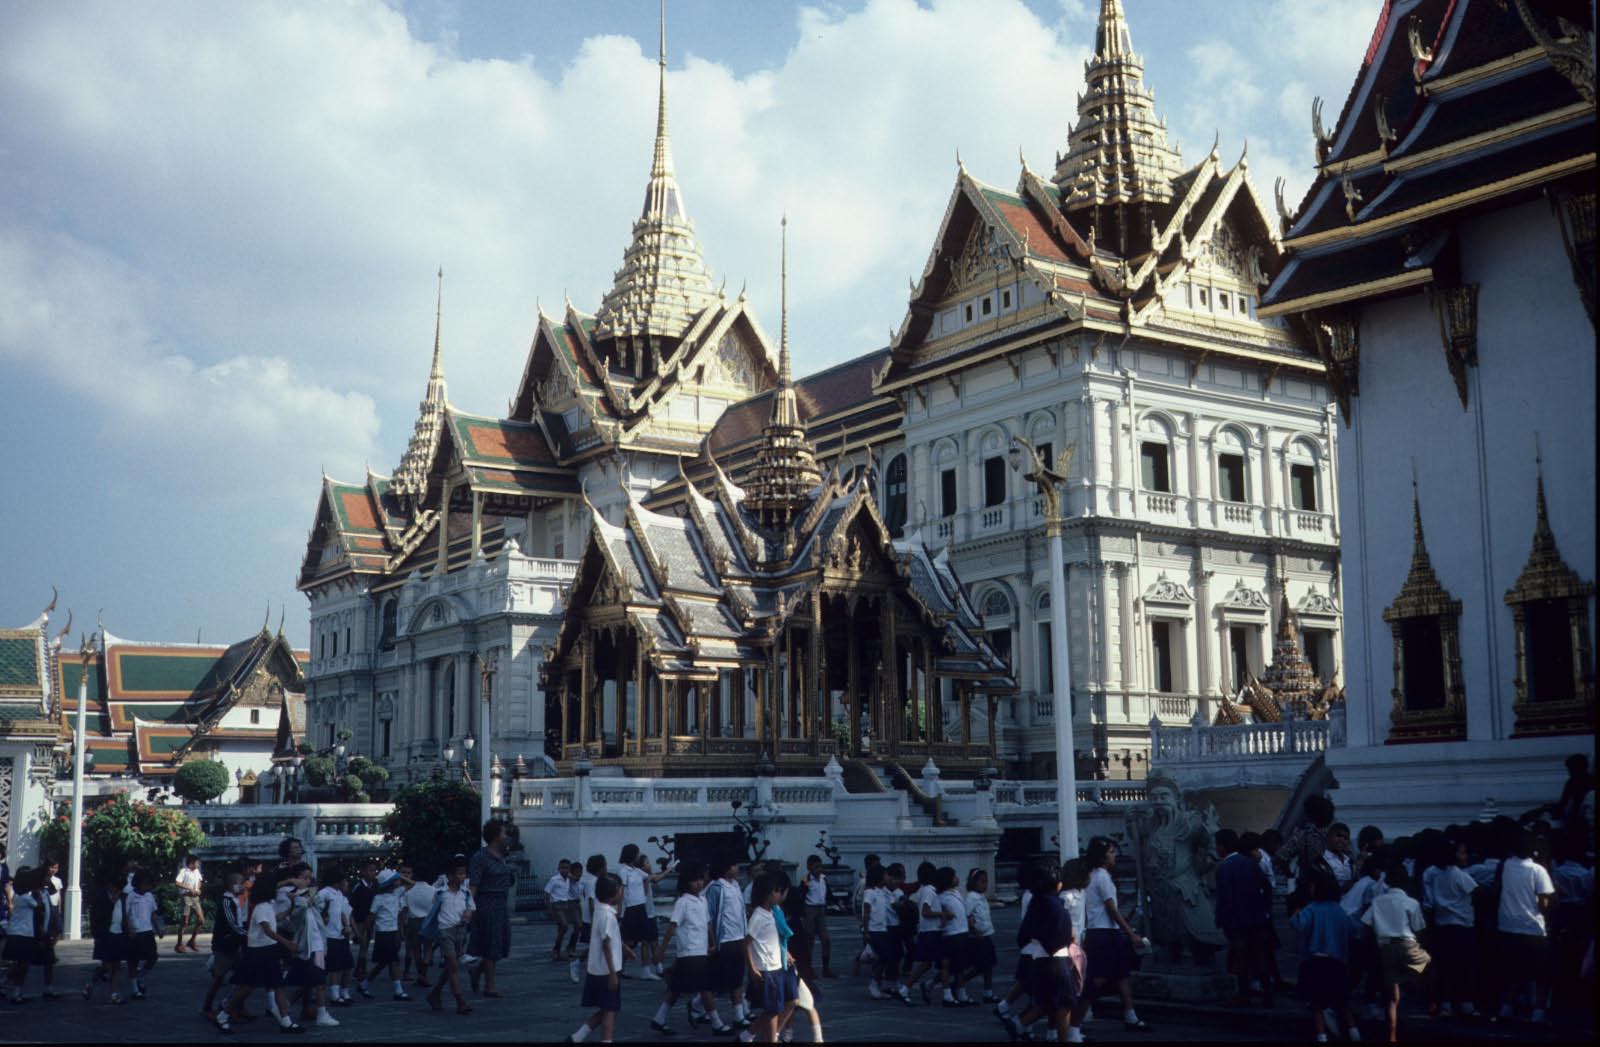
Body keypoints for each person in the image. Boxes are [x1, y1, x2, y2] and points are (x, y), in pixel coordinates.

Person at [1077, 836, 1151, 1032]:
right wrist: (1131, 933)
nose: (1114, 856)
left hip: (1103, 932)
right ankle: (1075, 1022)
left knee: (1121, 974)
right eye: (1111, 852)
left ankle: (1131, 1016)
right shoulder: (1102, 877)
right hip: (1104, 933)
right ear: (1102, 857)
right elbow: (1112, 910)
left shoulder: (1092, 876)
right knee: (1098, 978)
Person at [218, 867, 302, 1034]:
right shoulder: (262, 907)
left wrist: (290, 909)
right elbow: (268, 930)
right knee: (247, 987)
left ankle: (286, 1021)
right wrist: (288, 943)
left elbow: (274, 919)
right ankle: (223, 1015)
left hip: (268, 950)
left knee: (277, 985)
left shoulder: (267, 906)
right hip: (258, 952)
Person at [652, 861, 731, 1035]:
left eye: (701, 879)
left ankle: (659, 1018)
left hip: (701, 950)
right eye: (695, 880)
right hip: (689, 951)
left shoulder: (702, 900)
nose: (699, 883)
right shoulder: (683, 902)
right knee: (705, 987)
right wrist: (662, 949)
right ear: (686, 882)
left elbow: (708, 924)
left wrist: (712, 943)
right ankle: (717, 1023)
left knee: (676, 988)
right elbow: (672, 926)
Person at [1004, 861, 1079, 1044]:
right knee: (1063, 1004)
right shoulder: (1057, 907)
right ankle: (1056, 1036)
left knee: (1046, 1002)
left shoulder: (1035, 903)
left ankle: (1019, 1024)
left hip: (1038, 958)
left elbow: (1022, 936)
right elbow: (1062, 938)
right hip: (1057, 959)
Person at [1362, 855, 1428, 1043]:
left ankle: (1392, 1035)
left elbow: (1366, 923)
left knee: (1392, 997)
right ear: (1406, 883)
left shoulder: (1378, 901)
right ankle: (1415, 987)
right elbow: (1420, 929)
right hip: (1407, 943)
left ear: (1388, 882)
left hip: (1385, 947)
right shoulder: (1412, 903)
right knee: (1426, 963)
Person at [1289, 872, 1361, 1044]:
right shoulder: (1339, 910)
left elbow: (1298, 924)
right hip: (1337, 962)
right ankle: (1354, 1033)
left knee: (1317, 1004)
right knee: (1343, 1002)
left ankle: (1322, 1036)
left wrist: (1295, 910)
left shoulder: (1311, 908)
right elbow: (1353, 931)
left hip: (1316, 961)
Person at [1496, 829, 1556, 1023]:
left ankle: (1506, 1007)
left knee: (1512, 970)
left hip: (1507, 924)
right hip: (1532, 927)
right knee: (1541, 972)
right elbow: (1544, 902)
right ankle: (1538, 1011)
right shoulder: (1538, 870)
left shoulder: (1505, 865)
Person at [1214, 830, 1274, 1008]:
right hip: (1256, 917)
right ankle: (1267, 995)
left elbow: (1224, 898)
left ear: (1222, 847)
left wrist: (1220, 918)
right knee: (1260, 957)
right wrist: (1266, 909)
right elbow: (1266, 886)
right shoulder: (1249, 863)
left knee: (1242, 959)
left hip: (1236, 921)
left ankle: (1243, 995)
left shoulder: (1223, 868)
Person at [1422, 836, 1479, 1018]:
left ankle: (1446, 1003)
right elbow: (1476, 891)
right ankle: (1466, 1002)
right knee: (1465, 965)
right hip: (1462, 925)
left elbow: (1430, 902)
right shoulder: (1458, 874)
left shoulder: (1434, 874)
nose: (1465, 856)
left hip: (1442, 924)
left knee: (1446, 966)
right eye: (1462, 853)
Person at [567, 874, 627, 1044]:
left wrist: (626, 949)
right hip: (607, 971)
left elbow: (609, 938)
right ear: (613, 893)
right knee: (610, 1011)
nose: (622, 893)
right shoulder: (607, 915)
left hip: (597, 969)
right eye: (620, 890)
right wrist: (613, 974)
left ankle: (577, 1037)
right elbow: (606, 944)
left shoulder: (600, 911)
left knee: (607, 1009)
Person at [467, 819, 514, 997]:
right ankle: (490, 985)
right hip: (486, 903)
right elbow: (474, 884)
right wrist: (469, 908)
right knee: (490, 945)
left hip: (501, 903)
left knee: (501, 944)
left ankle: (477, 971)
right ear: (495, 836)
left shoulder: (502, 856)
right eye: (503, 833)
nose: (506, 836)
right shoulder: (480, 857)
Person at [745, 872, 791, 1045]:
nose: (779, 895)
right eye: (776, 891)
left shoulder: (771, 913)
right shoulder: (758, 915)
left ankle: (756, 1037)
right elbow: (747, 943)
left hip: (775, 966)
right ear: (768, 894)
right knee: (772, 1010)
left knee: (774, 1009)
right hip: (765, 969)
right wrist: (752, 968)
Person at [707, 853, 751, 1031]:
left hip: (738, 937)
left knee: (737, 978)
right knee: (719, 979)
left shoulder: (735, 885)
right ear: (725, 869)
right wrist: (712, 941)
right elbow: (710, 915)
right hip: (724, 939)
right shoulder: (716, 887)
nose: (737, 868)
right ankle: (698, 1005)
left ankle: (739, 1015)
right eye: (734, 865)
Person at [427, 855, 476, 1015]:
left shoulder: (465, 893)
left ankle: (435, 993)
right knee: (453, 965)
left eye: (464, 874)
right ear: (450, 876)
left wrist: (468, 914)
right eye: (459, 873)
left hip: (460, 932)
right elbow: (432, 912)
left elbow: (471, 907)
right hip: (445, 931)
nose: (463, 877)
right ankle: (460, 1001)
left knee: (450, 966)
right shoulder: (440, 893)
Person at [201, 871, 250, 1021]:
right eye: (240, 883)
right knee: (219, 978)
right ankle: (207, 1008)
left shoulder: (234, 900)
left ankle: (237, 1007)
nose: (243, 886)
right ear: (233, 885)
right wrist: (246, 934)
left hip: (234, 943)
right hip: (225, 945)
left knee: (242, 976)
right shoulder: (227, 901)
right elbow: (232, 924)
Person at [617, 844, 670, 981]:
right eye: (637, 854)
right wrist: (619, 910)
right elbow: (621, 892)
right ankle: (618, 968)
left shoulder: (637, 871)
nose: (639, 856)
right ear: (631, 855)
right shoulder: (624, 871)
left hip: (641, 908)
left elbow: (653, 878)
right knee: (629, 942)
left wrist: (668, 870)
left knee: (645, 940)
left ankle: (645, 971)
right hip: (631, 909)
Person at [896, 861, 942, 1005]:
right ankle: (906, 988)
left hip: (930, 931)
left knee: (928, 964)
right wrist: (942, 914)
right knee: (929, 963)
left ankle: (916, 987)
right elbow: (925, 911)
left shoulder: (927, 890)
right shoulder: (928, 890)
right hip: (930, 931)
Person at [366, 867, 413, 1000]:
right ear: (391, 883)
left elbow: (412, 884)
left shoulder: (396, 893)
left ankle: (364, 984)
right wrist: (365, 932)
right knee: (393, 961)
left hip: (393, 932)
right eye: (396, 880)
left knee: (383, 963)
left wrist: (398, 876)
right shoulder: (378, 898)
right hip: (383, 933)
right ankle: (398, 991)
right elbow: (371, 917)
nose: (399, 881)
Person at [3, 866, 44, 1004]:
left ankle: (13, 988)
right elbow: (39, 905)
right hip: (24, 933)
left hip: (16, 932)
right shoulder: (26, 898)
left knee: (21, 964)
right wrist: (38, 891)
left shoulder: (17, 896)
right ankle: (12, 987)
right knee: (23, 964)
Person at [315, 867, 355, 1006]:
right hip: (329, 935)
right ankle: (334, 995)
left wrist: (346, 926)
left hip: (340, 934)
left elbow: (343, 913)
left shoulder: (339, 894)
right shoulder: (324, 894)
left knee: (346, 965)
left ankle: (344, 992)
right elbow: (318, 912)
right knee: (334, 968)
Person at [860, 865, 896, 1001]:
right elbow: (866, 912)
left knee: (884, 957)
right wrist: (866, 931)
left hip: (882, 929)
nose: (888, 877)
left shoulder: (882, 891)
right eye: (886, 875)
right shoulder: (870, 892)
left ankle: (878, 983)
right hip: (874, 930)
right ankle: (874, 983)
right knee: (883, 957)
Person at [124, 869, 161, 1000]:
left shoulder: (149, 896)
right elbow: (126, 914)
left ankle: (138, 977)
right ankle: (135, 990)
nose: (148, 886)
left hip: (148, 931)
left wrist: (158, 929)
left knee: (153, 958)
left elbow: (153, 914)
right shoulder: (130, 896)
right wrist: (129, 929)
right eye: (146, 883)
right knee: (133, 961)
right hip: (135, 933)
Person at [570, 854, 605, 985]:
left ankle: (583, 965)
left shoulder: (592, 880)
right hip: (592, 919)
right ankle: (578, 964)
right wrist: (596, 919)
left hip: (593, 917)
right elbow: (591, 901)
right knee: (597, 945)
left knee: (597, 946)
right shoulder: (593, 881)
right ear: (600, 868)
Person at [965, 869, 998, 1004]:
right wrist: (974, 930)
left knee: (988, 965)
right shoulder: (971, 897)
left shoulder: (981, 897)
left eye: (986, 882)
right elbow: (967, 915)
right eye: (982, 882)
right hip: (978, 937)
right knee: (980, 966)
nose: (985, 885)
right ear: (973, 883)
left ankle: (988, 992)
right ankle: (960, 983)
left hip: (987, 935)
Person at [401, 862, 436, 987]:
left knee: (416, 950)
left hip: (413, 921)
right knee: (428, 948)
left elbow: (404, 910)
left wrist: (403, 924)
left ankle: (419, 974)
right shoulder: (433, 890)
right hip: (428, 920)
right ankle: (423, 975)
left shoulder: (409, 892)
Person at [802, 855, 835, 979]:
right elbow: (802, 894)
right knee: (809, 939)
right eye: (816, 867)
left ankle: (826, 968)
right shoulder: (806, 880)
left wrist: (834, 902)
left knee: (826, 939)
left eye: (820, 867)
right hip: (810, 909)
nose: (819, 870)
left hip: (821, 909)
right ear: (809, 868)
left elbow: (828, 892)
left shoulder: (823, 878)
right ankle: (808, 968)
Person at [348, 860, 378, 998]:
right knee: (363, 944)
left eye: (374, 870)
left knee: (365, 946)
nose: (372, 873)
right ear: (363, 871)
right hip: (360, 919)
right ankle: (360, 969)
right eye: (370, 870)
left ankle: (360, 969)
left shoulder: (374, 886)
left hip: (369, 919)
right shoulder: (358, 887)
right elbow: (352, 905)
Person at [547, 859, 577, 961]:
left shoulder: (568, 879)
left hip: (565, 905)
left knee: (562, 929)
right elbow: (547, 893)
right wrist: (549, 908)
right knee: (564, 925)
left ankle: (557, 950)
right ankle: (556, 950)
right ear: (559, 868)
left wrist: (572, 877)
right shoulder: (554, 879)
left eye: (567, 868)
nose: (564, 870)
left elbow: (577, 880)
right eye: (562, 868)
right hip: (557, 905)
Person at [174, 855, 205, 954]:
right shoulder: (184, 871)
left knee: (201, 920)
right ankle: (179, 944)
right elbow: (177, 882)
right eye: (197, 862)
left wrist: (198, 889)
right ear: (191, 863)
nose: (198, 864)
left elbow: (199, 880)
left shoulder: (197, 871)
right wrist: (189, 887)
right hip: (186, 897)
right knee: (185, 922)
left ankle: (192, 941)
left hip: (195, 897)